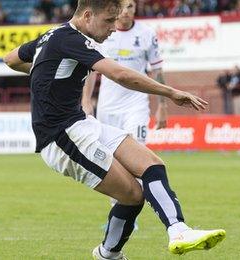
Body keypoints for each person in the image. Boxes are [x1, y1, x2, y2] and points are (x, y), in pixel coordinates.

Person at [2, 0, 225, 258]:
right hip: (62, 137)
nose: (114, 28)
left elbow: (10, 59)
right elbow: (120, 75)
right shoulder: (71, 39)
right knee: (132, 194)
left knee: (151, 164)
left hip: (82, 124)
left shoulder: (54, 36)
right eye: (109, 21)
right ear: (87, 15)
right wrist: (171, 92)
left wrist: (47, 71)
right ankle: (109, 254)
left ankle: (178, 230)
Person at [81, 0, 168, 233]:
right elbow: (91, 70)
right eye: (124, 6)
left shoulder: (147, 34)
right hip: (107, 108)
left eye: (131, 6)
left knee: (137, 154)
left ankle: (130, 216)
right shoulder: (103, 34)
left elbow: (157, 71)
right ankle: (119, 213)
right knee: (112, 163)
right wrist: (86, 100)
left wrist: (162, 106)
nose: (127, 11)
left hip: (136, 105)